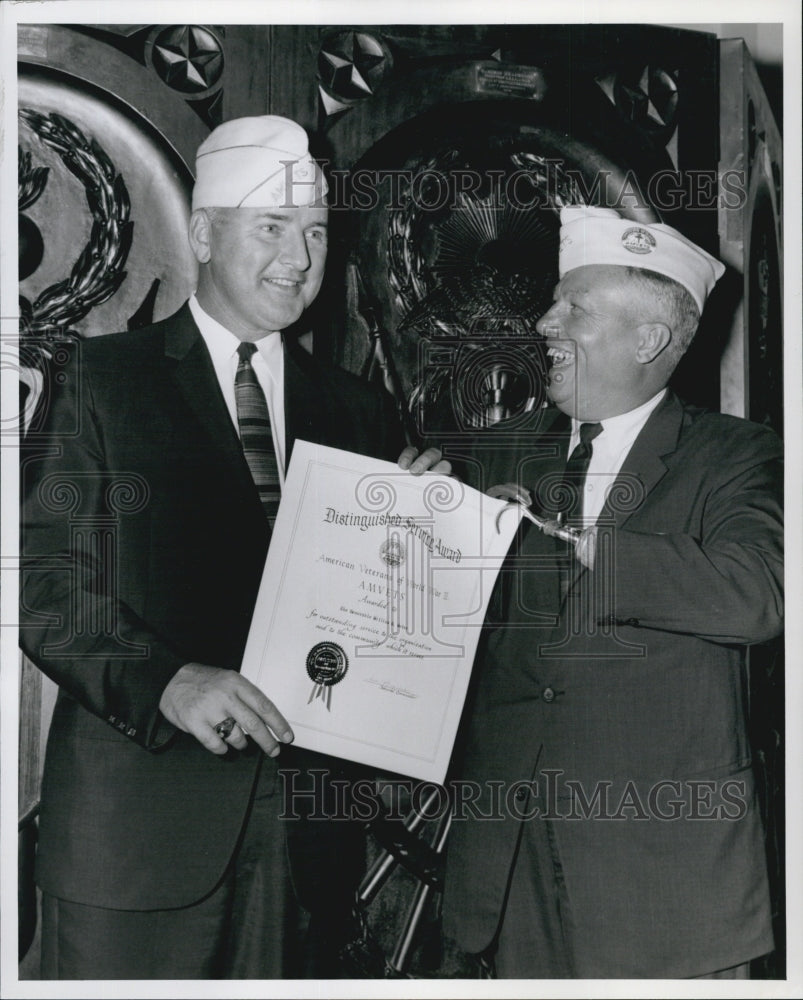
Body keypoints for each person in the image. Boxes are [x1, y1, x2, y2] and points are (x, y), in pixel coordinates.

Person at [20, 115, 409, 979]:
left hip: (308, 851)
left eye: (314, 234)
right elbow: (48, 594)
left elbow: (376, 632)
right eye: (271, 229)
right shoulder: (99, 382)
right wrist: (166, 680)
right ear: (201, 233)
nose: (299, 259)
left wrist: (425, 536)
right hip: (136, 849)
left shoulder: (360, 413)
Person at [403, 205, 783, 978]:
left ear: (646, 341)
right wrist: (408, 533)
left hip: (663, 879)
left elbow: (758, 596)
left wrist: (577, 541)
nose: (543, 322)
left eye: (573, 306)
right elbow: (428, 634)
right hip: (506, 871)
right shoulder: (491, 449)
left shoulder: (736, 455)